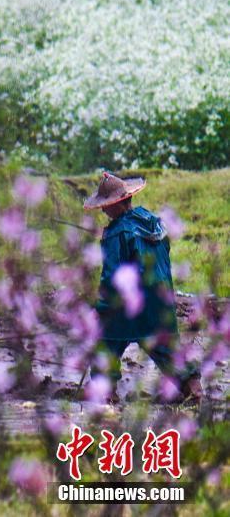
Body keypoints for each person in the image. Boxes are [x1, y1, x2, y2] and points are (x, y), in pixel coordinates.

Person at [83, 172, 201, 403]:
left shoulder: (117, 233)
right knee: (165, 346)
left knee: (107, 344)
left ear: (116, 204)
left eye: (106, 207)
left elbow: (112, 276)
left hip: (130, 304)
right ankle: (193, 387)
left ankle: (104, 395)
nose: (104, 211)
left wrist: (103, 307)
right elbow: (164, 255)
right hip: (160, 297)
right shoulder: (151, 221)